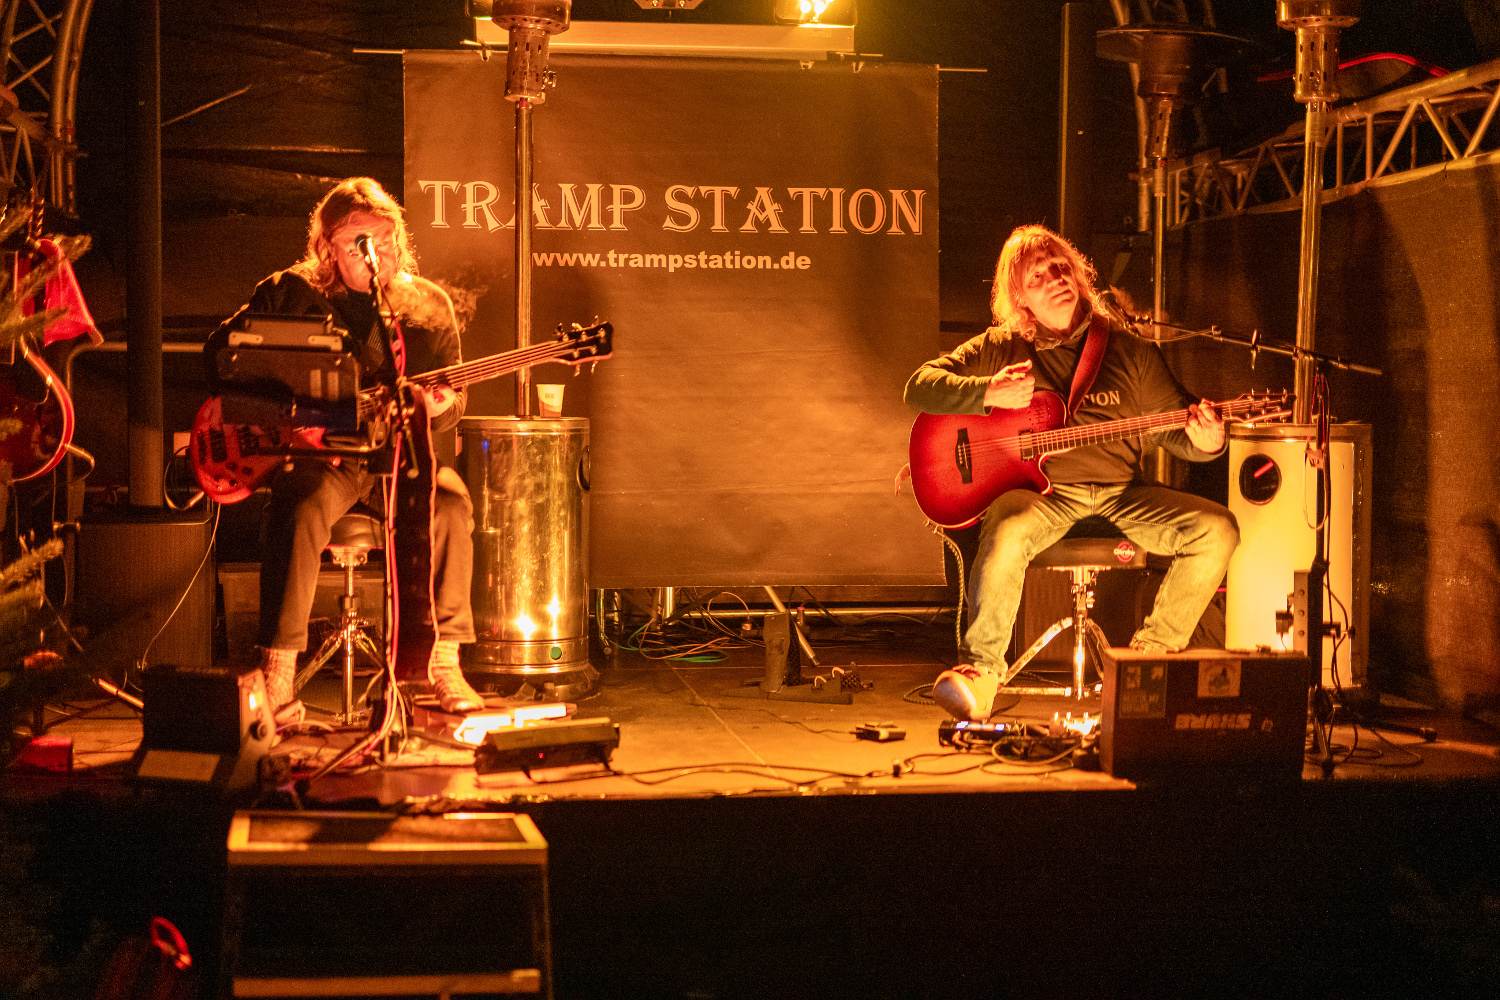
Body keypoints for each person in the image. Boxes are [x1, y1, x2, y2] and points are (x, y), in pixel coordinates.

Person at [904, 224, 1238, 722]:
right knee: (1009, 530)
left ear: (1079, 276)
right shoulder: (1002, 347)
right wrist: (985, 393)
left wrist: (1211, 442)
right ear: (1020, 300)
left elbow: (1181, 432)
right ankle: (982, 673)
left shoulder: (1132, 352)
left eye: (1061, 266)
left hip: (1122, 493)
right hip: (1044, 497)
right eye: (1038, 275)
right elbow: (919, 387)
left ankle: (1148, 658)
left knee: (1217, 530)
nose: (1055, 277)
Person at [205, 177, 483, 718]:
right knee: (300, 503)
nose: (372, 252)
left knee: (449, 504)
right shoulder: (289, 292)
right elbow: (220, 359)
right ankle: (278, 672)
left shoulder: (427, 305)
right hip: (318, 456)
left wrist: (438, 404)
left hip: (399, 458)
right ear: (326, 244)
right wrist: (291, 420)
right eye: (357, 241)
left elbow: (457, 403)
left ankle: (443, 664)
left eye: (382, 238)